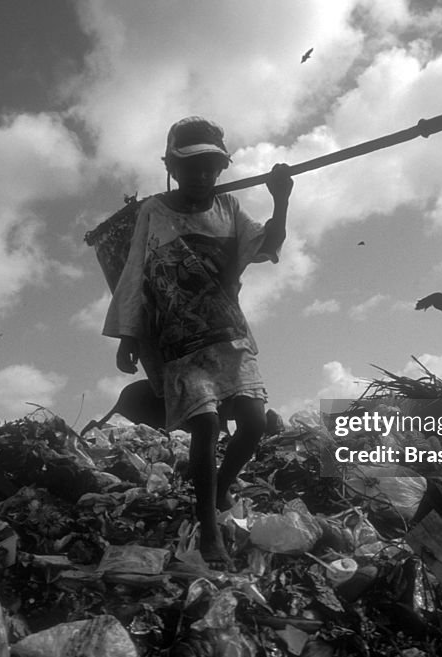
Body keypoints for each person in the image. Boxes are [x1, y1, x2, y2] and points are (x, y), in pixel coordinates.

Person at [103, 116, 292, 568]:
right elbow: (135, 273)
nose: (202, 176)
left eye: (210, 167)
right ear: (170, 166)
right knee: (206, 426)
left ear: (221, 169)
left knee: (253, 422)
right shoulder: (154, 212)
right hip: (180, 340)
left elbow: (268, 245)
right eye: (192, 168)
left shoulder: (227, 208)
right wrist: (129, 335)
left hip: (228, 332)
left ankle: (221, 488)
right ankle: (209, 530)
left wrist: (281, 199)